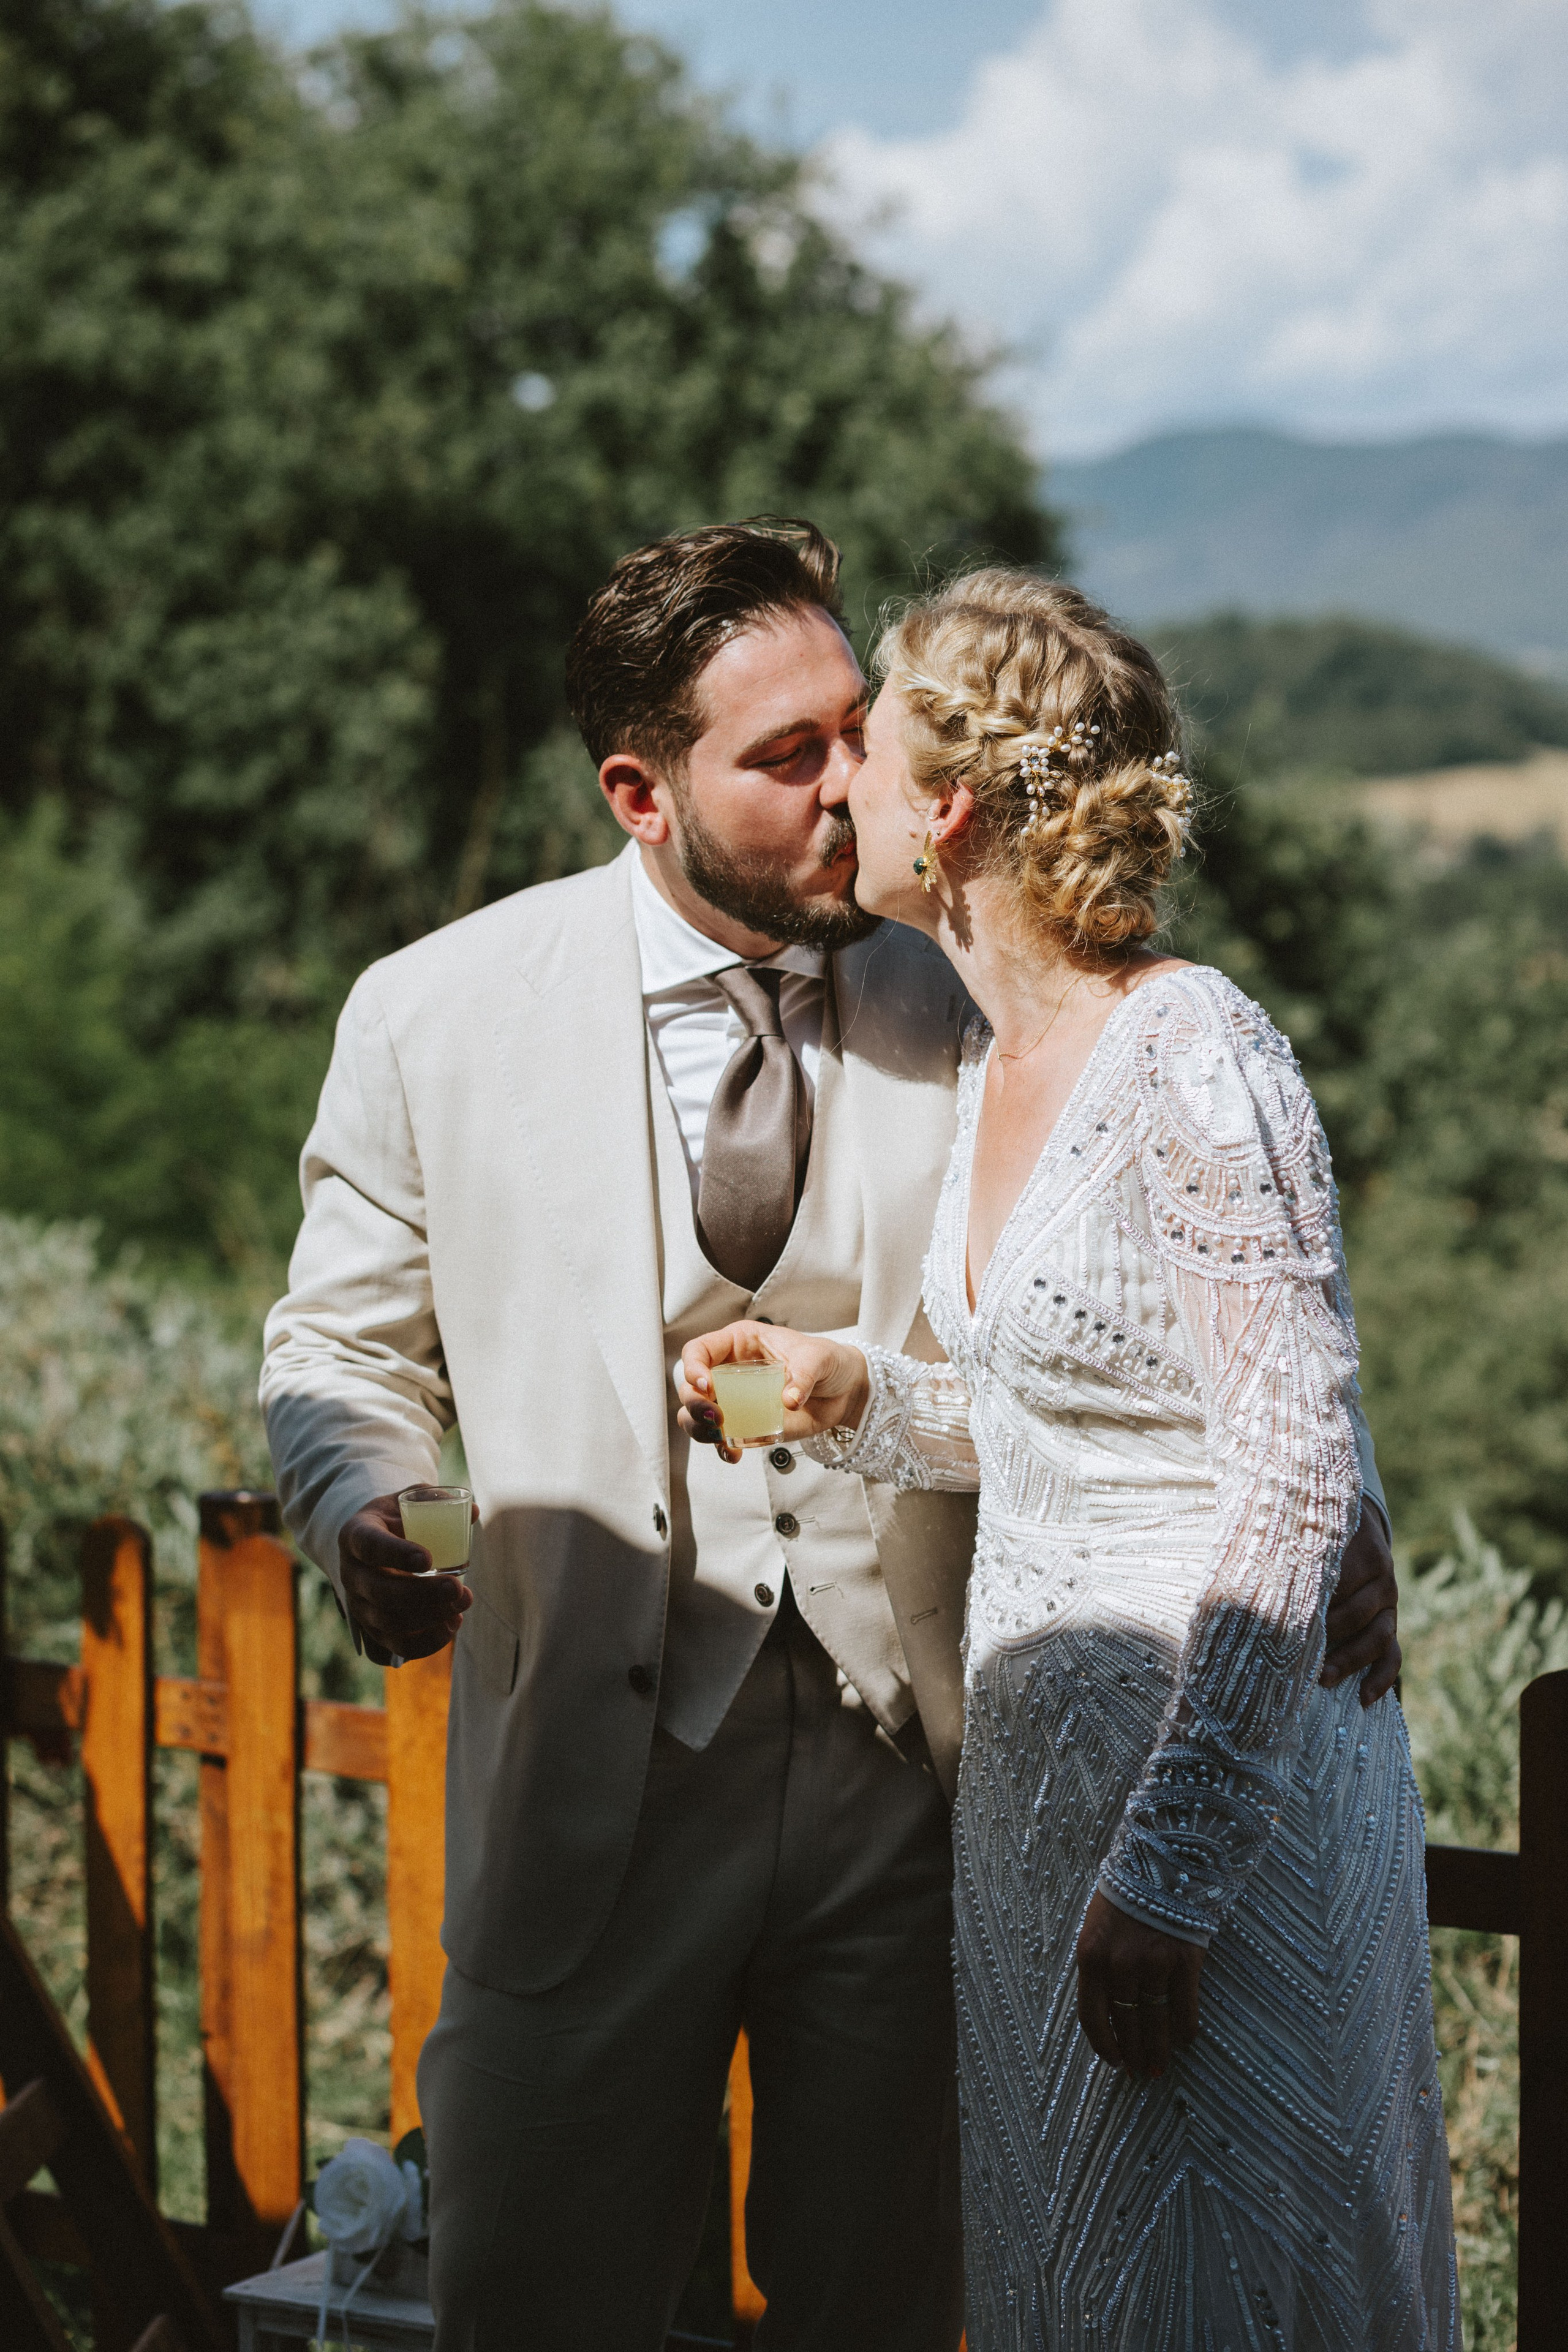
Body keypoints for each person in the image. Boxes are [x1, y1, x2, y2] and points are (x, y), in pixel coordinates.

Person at [260, 524, 1403, 2352]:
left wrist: (1345, 1506)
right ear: (644, 790)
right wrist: (356, 1504)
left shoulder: (972, 976)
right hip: (592, 1781)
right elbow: (335, 1343)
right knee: (543, 2292)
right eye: (785, 756)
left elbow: (1214, 1305)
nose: (845, 780)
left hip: (925, 1778)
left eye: (854, 730)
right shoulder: (433, 1014)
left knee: (886, 2292)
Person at [678, 569, 1457, 2351]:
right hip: (1043, 1831)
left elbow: (1283, 1468)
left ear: (943, 809)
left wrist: (1170, 1873)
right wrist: (843, 1390)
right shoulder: (1002, 1063)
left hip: (1204, 1842)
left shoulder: (1197, 1052)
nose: (838, 778)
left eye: (864, 738)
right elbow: (1054, 1423)